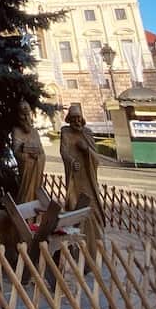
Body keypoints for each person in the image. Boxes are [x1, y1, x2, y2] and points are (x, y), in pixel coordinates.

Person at [60, 104, 105, 252]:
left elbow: (96, 158)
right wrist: (72, 162)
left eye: (78, 118)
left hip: (88, 179)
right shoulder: (65, 133)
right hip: (75, 178)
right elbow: (64, 151)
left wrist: (86, 150)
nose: (77, 121)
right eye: (73, 119)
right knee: (75, 206)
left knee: (92, 208)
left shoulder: (88, 133)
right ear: (69, 119)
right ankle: (77, 246)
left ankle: (96, 243)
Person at [11, 99, 46, 204]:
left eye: (28, 114)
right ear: (18, 115)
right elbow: (16, 152)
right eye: (23, 115)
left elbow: (42, 153)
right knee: (25, 197)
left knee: (37, 195)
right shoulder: (16, 131)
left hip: (36, 173)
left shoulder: (35, 132)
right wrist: (28, 155)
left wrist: (38, 157)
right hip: (26, 174)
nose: (26, 118)